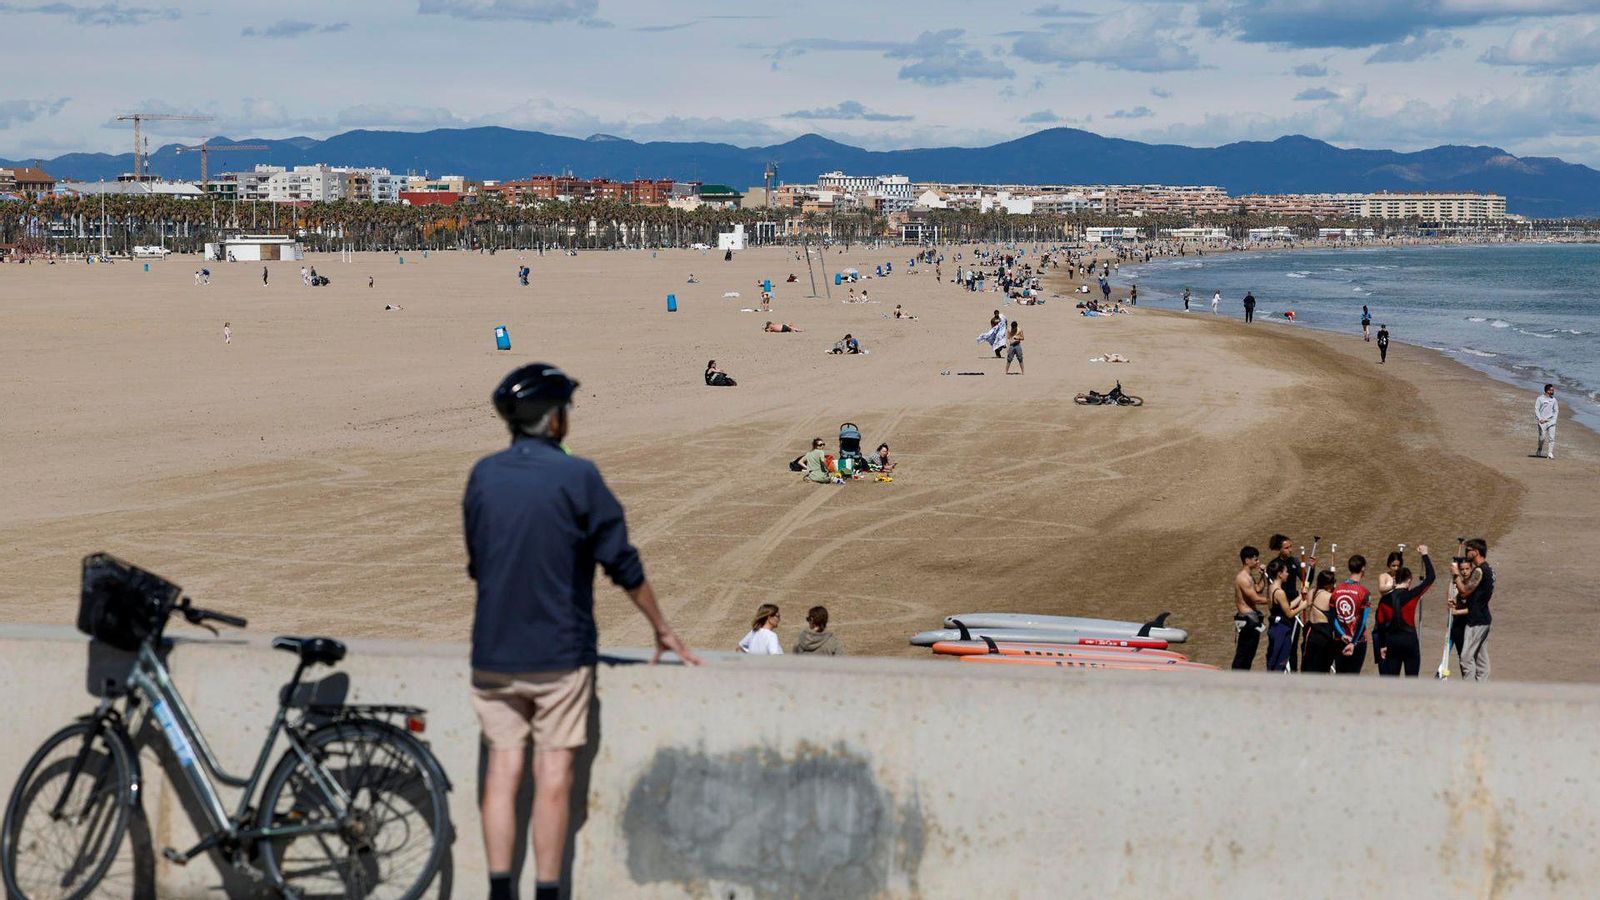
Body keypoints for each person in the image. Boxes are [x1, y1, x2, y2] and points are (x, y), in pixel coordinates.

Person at [464, 362, 699, 900]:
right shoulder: (578, 476)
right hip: (559, 653)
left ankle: (501, 890)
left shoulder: (483, 474)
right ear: (552, 421)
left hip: (493, 650)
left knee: (501, 772)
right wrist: (662, 628)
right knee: (552, 776)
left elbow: (479, 564)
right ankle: (548, 891)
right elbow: (623, 563)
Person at [1375, 545, 1434, 677]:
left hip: (1392, 642)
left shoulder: (1383, 600)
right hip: (1409, 641)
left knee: (1392, 681)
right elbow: (1431, 577)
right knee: (1411, 680)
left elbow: (1380, 624)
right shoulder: (1412, 595)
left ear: (1395, 580)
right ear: (1408, 580)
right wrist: (1424, 554)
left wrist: (1383, 645)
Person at [1452, 538, 1494, 681]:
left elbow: (1464, 591)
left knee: (1465, 658)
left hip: (1476, 621)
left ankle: (1468, 692)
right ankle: (1481, 690)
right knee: (1481, 660)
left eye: (1468, 550)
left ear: (1476, 552)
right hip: (1484, 619)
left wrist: (1456, 575)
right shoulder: (1489, 569)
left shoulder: (1480, 571)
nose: (1466, 552)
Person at [1329, 554, 1371, 674]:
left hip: (1339, 639)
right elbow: (1362, 621)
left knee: (1340, 675)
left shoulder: (1336, 590)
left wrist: (1342, 635)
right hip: (1358, 640)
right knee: (1353, 677)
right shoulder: (1364, 592)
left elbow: (1332, 617)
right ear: (1363, 568)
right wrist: (1353, 642)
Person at [1264, 558, 1304, 672]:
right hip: (1282, 629)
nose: (1288, 574)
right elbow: (1289, 613)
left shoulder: (1271, 588)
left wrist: (1300, 597)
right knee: (1280, 662)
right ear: (1280, 574)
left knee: (1274, 659)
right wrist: (1303, 606)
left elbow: (1287, 605)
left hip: (1275, 627)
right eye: (1286, 572)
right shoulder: (1280, 592)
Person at [1232, 546, 1268, 670]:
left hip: (1252, 619)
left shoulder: (1249, 576)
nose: (1258, 562)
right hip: (1247, 621)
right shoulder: (1242, 578)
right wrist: (1275, 600)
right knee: (1242, 654)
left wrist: (1263, 576)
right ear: (1247, 560)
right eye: (1256, 559)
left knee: (1250, 654)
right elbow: (1255, 599)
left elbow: (1258, 589)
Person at [1301, 568, 1340, 673]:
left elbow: (1307, 603)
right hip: (1323, 634)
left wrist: (1305, 587)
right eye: (1333, 582)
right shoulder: (1331, 597)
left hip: (1310, 632)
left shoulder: (1312, 592)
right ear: (1328, 584)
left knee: (1308, 664)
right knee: (1323, 666)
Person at [1535, 383, 1558, 459]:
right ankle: (1539, 449)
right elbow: (1537, 409)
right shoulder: (1540, 398)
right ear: (1547, 390)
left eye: (1553, 390)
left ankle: (1550, 453)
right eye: (1551, 390)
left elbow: (1556, 410)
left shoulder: (1554, 400)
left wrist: (1554, 419)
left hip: (1551, 421)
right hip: (1542, 421)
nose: (1553, 391)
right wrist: (1539, 418)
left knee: (1552, 438)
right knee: (1542, 438)